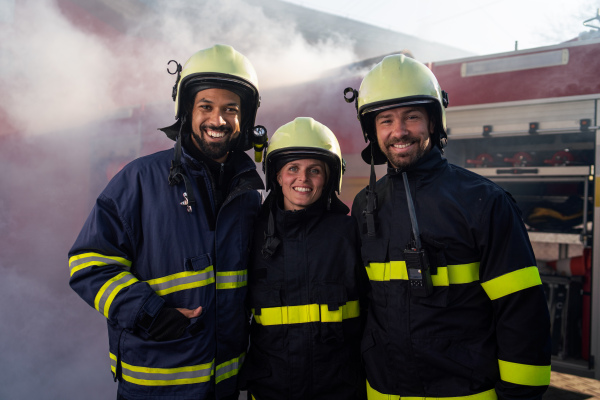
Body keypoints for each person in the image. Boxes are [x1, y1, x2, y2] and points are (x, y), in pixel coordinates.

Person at [344, 54, 551, 399]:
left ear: (433, 121)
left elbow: (521, 309)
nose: (399, 131)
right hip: (383, 391)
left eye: (411, 116)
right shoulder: (366, 204)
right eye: (385, 120)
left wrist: (520, 395)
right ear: (371, 130)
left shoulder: (484, 201)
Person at [68, 44, 265, 400]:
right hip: (155, 387)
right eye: (206, 106)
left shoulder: (249, 194)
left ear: (244, 119)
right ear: (186, 110)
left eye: (230, 109)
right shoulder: (139, 180)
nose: (218, 120)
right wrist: (148, 312)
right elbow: (88, 265)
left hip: (225, 386)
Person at [240, 117, 367, 400]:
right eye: (293, 168)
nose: (303, 179)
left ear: (329, 178)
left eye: (315, 171)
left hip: (339, 392)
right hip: (270, 392)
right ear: (277, 175)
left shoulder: (348, 235)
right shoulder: (251, 235)